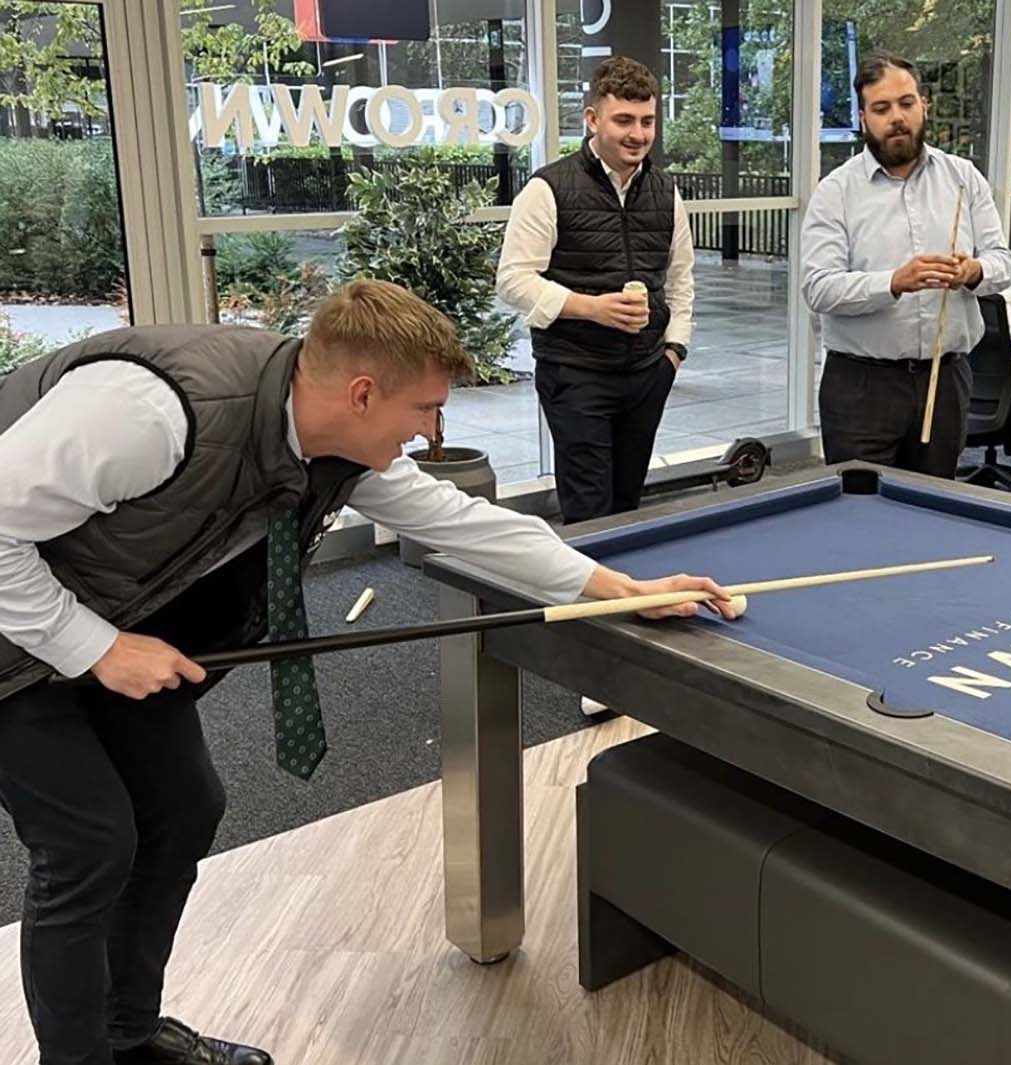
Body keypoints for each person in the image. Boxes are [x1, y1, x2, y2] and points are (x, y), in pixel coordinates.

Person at [0, 279, 737, 1065]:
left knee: (182, 809)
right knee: (90, 843)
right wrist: (101, 648)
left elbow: (460, 520)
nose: (430, 432)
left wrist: (616, 588)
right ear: (360, 393)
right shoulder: (148, 413)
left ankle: (129, 1033)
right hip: (17, 630)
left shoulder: (337, 446)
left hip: (107, 620)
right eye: (424, 410)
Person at [497, 55, 694, 525]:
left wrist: (674, 352)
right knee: (589, 509)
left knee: (627, 504)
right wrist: (591, 308)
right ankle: (592, 598)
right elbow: (513, 279)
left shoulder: (667, 193)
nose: (638, 134)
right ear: (592, 119)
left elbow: (681, 281)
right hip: (575, 374)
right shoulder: (547, 189)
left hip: (648, 373)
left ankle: (625, 596)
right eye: (623, 120)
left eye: (647, 121)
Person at [801, 52, 1011, 479]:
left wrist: (972, 271)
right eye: (881, 109)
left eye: (906, 103)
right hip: (861, 386)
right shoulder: (836, 192)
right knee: (859, 514)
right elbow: (818, 288)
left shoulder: (963, 178)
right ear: (864, 119)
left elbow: (1003, 262)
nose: (896, 117)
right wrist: (894, 282)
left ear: (923, 106)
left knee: (935, 509)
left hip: (946, 378)